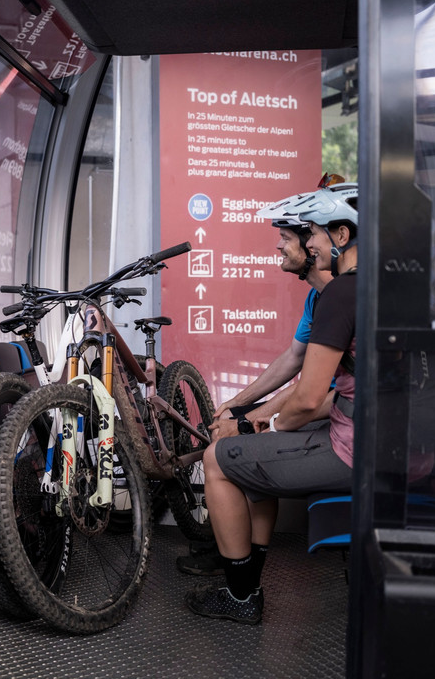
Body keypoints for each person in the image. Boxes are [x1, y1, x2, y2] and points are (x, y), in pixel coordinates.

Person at [184, 182, 359, 625]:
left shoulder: (342, 294)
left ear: (338, 237)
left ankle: (240, 596)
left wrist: (249, 427)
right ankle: (247, 578)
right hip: (374, 438)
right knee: (253, 465)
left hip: (355, 449)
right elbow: (303, 367)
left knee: (217, 460)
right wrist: (244, 412)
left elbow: (310, 397)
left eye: (296, 235)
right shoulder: (351, 291)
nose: (281, 245)